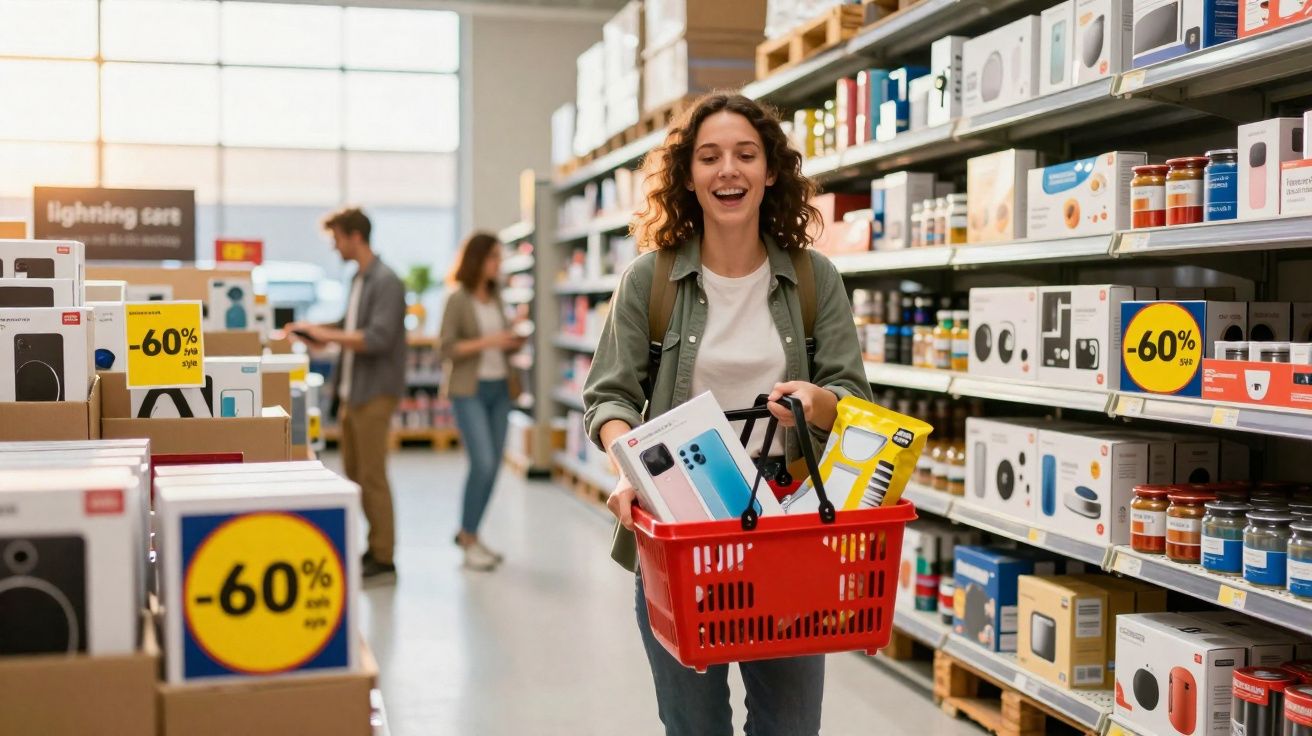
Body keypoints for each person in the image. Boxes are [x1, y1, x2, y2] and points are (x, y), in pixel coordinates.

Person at [582, 93, 872, 735]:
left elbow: (857, 401)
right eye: (709, 157)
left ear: (772, 171)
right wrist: (631, 468)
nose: (728, 171)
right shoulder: (649, 280)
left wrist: (815, 402)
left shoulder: (814, 277)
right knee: (694, 727)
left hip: (786, 532)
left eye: (746, 154)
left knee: (790, 725)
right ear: (688, 175)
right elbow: (610, 396)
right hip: (683, 529)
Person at [287, 207, 407, 581]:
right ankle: (373, 550)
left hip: (374, 393)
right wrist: (312, 329)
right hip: (352, 391)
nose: (334, 247)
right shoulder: (360, 279)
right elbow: (348, 326)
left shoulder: (387, 281)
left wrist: (328, 336)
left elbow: (378, 337)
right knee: (356, 473)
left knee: (372, 475)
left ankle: (384, 558)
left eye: (337, 238)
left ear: (355, 236)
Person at [438, 232, 525, 571]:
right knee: (483, 463)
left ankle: (470, 534)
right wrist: (489, 341)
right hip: (468, 390)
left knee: (494, 468)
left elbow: (500, 341)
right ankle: (468, 536)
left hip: (500, 389)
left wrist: (512, 340)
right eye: (493, 258)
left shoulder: (497, 297)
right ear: (477, 259)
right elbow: (446, 348)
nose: (498, 264)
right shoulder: (457, 299)